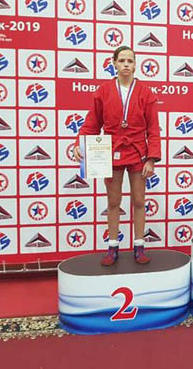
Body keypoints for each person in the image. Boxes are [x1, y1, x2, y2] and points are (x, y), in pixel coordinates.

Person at [74, 45, 161, 266]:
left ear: (135, 64)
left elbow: (153, 129)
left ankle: (139, 245)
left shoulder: (146, 93)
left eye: (130, 61)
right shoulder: (103, 91)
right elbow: (92, 124)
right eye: (121, 60)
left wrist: (151, 158)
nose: (126, 65)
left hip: (138, 151)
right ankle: (112, 246)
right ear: (114, 63)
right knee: (113, 201)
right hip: (110, 151)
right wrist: (79, 144)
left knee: (139, 200)